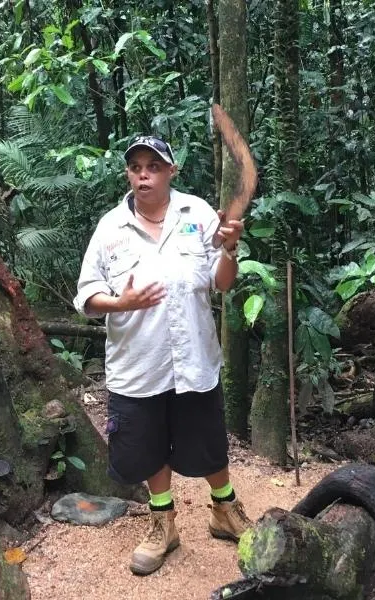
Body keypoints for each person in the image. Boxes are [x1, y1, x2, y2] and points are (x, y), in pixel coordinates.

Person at [73, 134, 252, 576]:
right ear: (128, 174)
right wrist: (121, 304)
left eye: (153, 166)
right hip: (138, 365)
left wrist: (229, 247)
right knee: (149, 449)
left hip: (193, 359)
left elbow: (222, 283)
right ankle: (163, 524)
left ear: (171, 171)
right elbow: (87, 295)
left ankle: (224, 511)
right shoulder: (109, 229)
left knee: (208, 442)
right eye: (135, 167)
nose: (143, 174)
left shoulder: (198, 214)